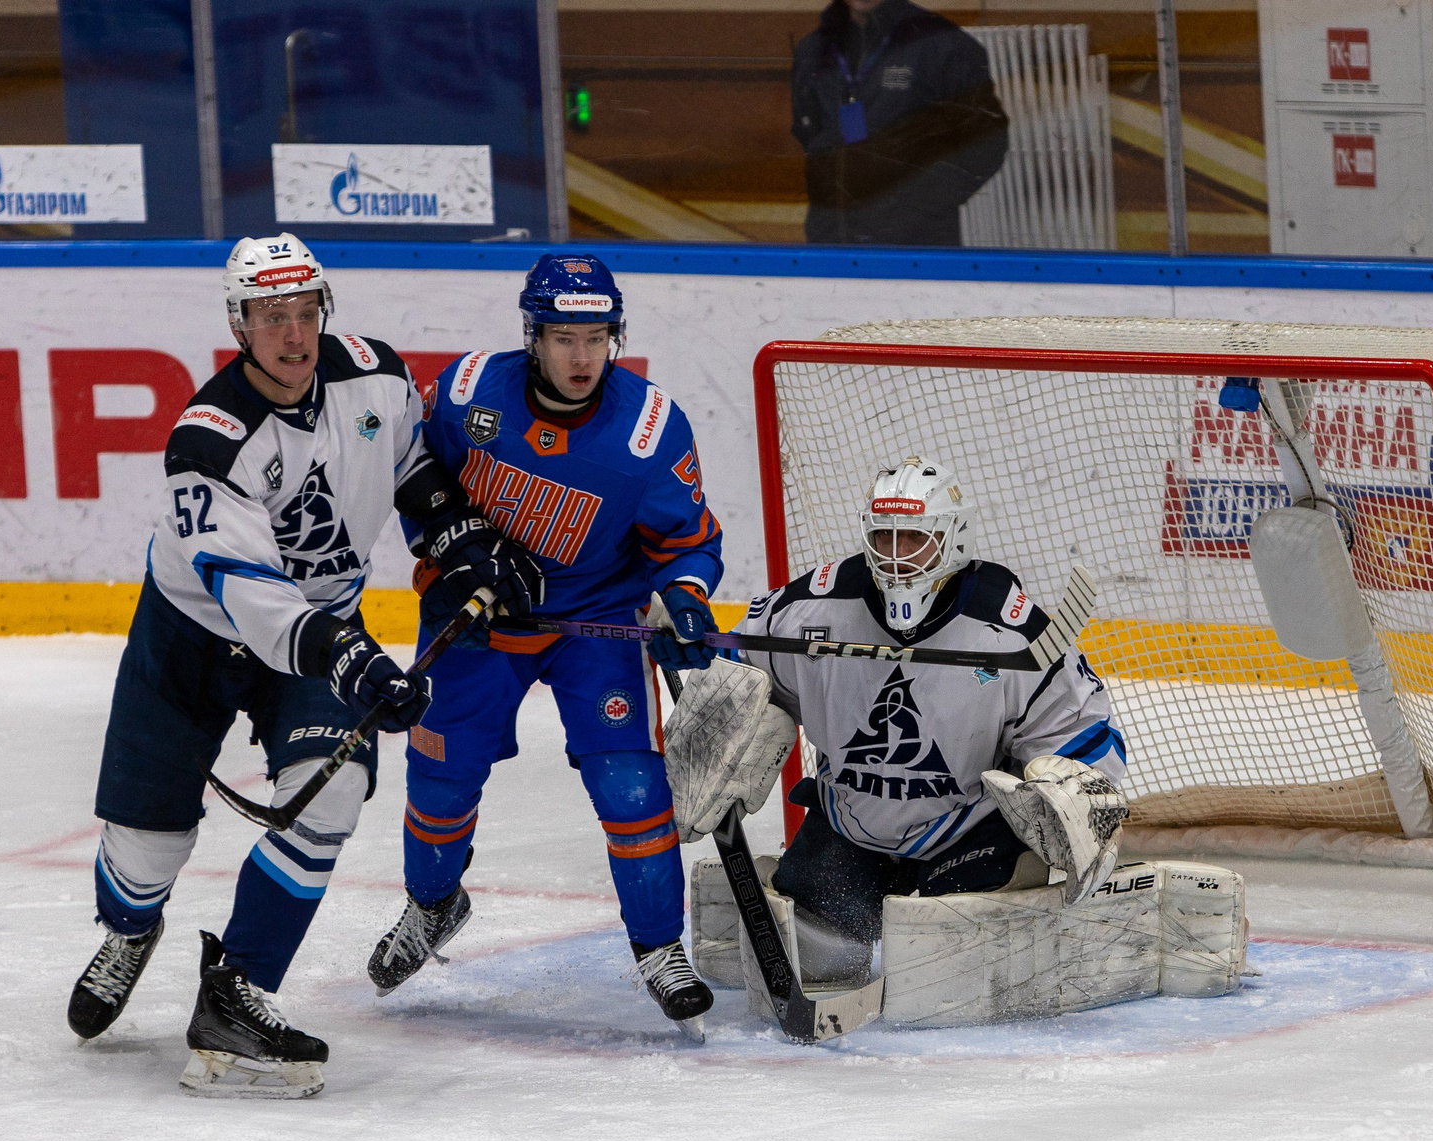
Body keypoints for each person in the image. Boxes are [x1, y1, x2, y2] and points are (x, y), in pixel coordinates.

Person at [65, 233, 518, 1098]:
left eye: (306, 311)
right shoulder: (209, 439)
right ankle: (130, 928)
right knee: (146, 849)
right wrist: (354, 658)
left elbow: (415, 467)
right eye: (272, 316)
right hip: (195, 637)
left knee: (334, 790)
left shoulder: (376, 378)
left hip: (318, 639)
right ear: (239, 323)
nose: (294, 333)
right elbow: (252, 594)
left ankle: (237, 988)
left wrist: (460, 541)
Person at [370, 254, 722, 1032]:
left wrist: (686, 595)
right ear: (532, 336)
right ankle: (432, 906)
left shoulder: (649, 428)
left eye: (597, 337)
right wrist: (457, 547)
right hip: (478, 620)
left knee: (631, 788)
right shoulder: (467, 394)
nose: (581, 357)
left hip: (594, 622)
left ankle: (659, 948)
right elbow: (414, 476)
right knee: (440, 777)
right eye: (563, 337)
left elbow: (688, 541)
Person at [670, 455, 1130, 990]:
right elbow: (739, 670)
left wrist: (1062, 787)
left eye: (915, 539)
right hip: (851, 824)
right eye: (884, 539)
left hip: (967, 830)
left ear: (954, 541)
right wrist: (712, 694)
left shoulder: (1011, 629)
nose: (896, 557)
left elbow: (1083, 732)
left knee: (950, 972)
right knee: (819, 963)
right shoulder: (811, 609)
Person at [790, 0, 1009, 248]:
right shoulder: (814, 49)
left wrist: (918, 205)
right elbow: (808, 130)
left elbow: (987, 141)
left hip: (915, 243)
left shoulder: (942, 44)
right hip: (832, 236)